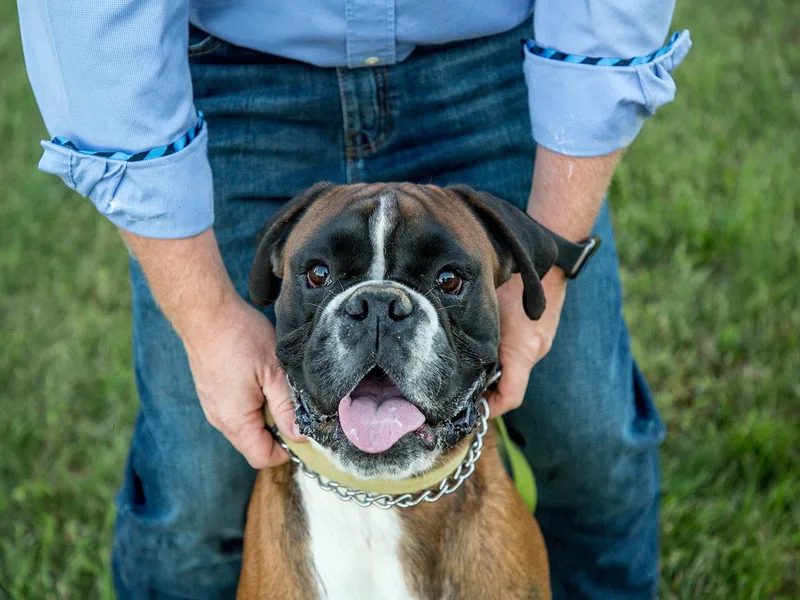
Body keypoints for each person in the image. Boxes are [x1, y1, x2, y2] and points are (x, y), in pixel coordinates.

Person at [17, 1, 690, 598]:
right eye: (318, 278)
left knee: (595, 438)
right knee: (190, 494)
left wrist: (548, 272)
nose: (379, 312)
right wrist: (208, 318)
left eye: (449, 282)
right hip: (228, 78)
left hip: (496, 60)